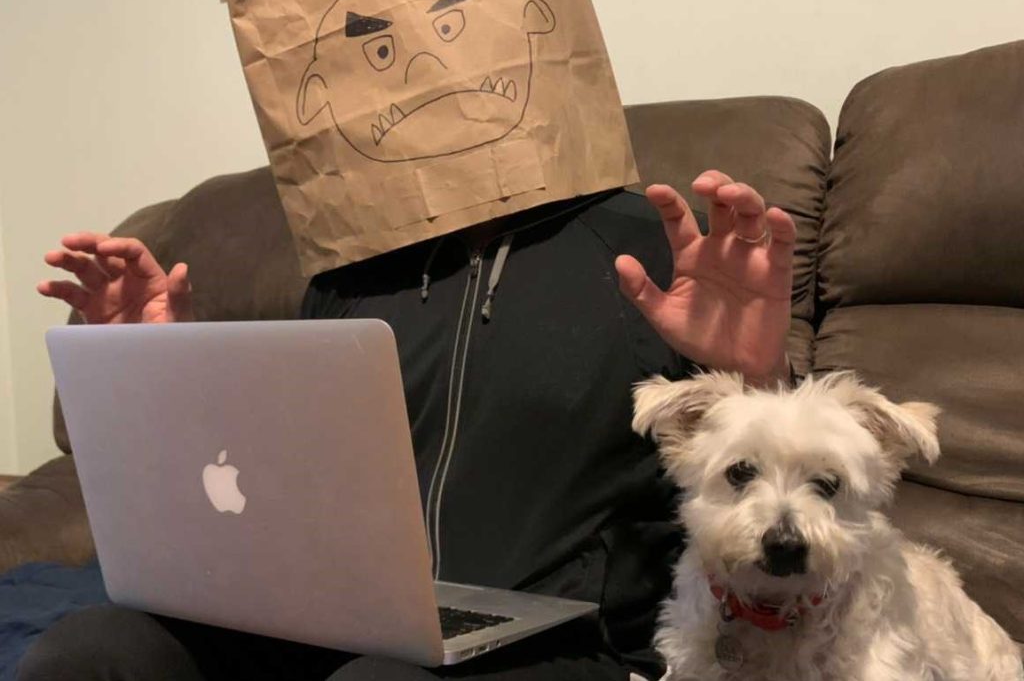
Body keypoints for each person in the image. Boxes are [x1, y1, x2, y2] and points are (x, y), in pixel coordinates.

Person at [22, 172, 796, 681]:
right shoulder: (347, 267)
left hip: (561, 645)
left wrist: (756, 378)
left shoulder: (654, 246)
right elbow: (268, 486)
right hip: (339, 615)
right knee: (89, 654)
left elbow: (782, 502)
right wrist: (170, 372)